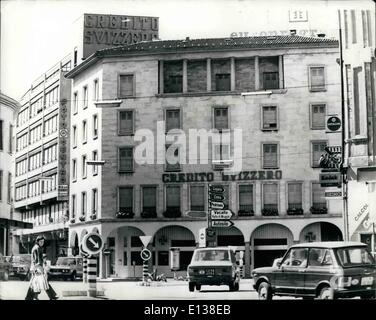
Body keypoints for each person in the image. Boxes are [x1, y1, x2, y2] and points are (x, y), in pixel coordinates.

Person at [25, 235, 59, 300]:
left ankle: (31, 297)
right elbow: (38, 260)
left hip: (35, 267)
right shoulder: (38, 248)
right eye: (40, 241)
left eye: (43, 241)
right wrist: (41, 268)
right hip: (38, 267)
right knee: (43, 283)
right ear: (37, 241)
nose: (42, 243)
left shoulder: (35, 247)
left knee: (36, 283)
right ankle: (52, 296)